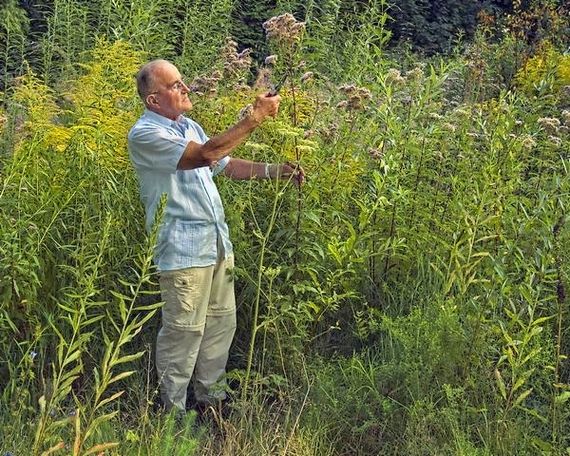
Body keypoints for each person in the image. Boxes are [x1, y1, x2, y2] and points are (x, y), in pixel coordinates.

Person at [127, 59, 303, 412]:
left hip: (217, 245)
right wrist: (254, 118)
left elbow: (224, 164)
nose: (185, 88)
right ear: (154, 101)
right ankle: (172, 415)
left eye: (183, 81)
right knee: (183, 334)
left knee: (221, 326)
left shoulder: (189, 125)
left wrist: (277, 171)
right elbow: (205, 155)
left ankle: (212, 404)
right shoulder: (145, 134)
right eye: (175, 85)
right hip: (182, 251)